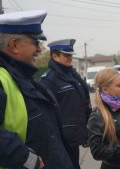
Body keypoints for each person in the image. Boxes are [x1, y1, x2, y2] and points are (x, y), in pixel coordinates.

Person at [0, 10, 74, 168]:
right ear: (14, 45)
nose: (40, 49)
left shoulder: (25, 79)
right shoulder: (3, 79)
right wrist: (29, 160)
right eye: (36, 42)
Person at [39, 39, 91, 169]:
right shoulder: (49, 79)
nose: (70, 58)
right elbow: (48, 113)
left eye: (71, 55)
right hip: (61, 139)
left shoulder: (72, 75)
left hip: (73, 137)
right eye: (66, 55)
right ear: (55, 56)